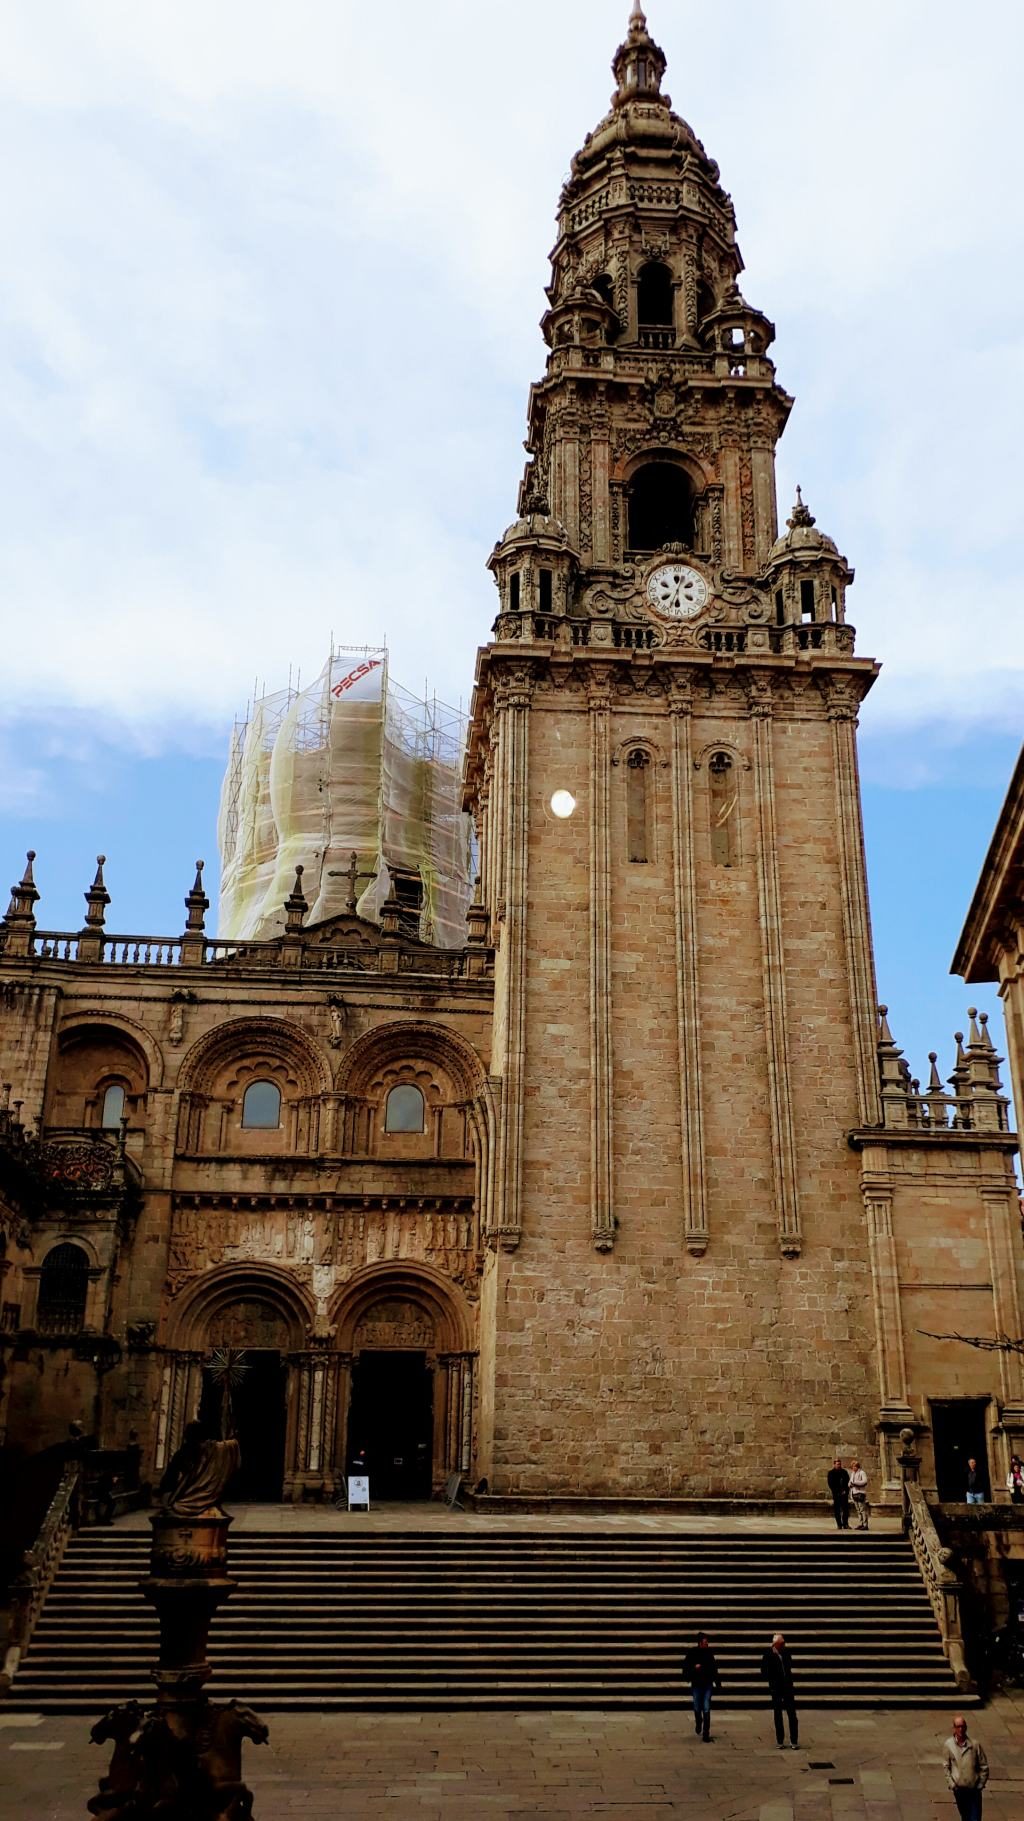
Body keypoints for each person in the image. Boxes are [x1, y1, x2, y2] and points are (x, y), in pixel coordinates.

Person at [943, 1714, 988, 1819]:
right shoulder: (949, 1745)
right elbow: (946, 1766)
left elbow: (984, 1766)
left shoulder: (975, 1745)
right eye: (958, 1726)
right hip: (959, 1789)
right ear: (954, 1728)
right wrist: (952, 1784)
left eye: (963, 1726)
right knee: (965, 1816)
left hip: (973, 1789)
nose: (961, 1729)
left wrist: (980, 1784)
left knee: (975, 1817)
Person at [681, 1630, 722, 1742]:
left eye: (707, 1642)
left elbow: (714, 1669)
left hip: (707, 1684)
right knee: (697, 1707)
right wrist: (694, 1668)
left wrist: (717, 1683)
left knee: (706, 1706)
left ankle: (706, 1734)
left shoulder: (709, 1653)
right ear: (700, 1643)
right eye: (704, 1642)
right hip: (697, 1685)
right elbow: (686, 1667)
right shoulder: (692, 1653)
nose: (706, 1644)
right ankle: (699, 1722)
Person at [759, 1632, 798, 1749]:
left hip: (787, 1687)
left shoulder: (786, 1653)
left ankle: (794, 1740)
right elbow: (763, 1671)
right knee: (778, 1714)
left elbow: (789, 1666)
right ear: (776, 1644)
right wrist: (772, 1680)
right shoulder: (768, 1654)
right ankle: (780, 1740)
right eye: (782, 1643)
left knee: (792, 1714)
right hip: (776, 1688)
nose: (784, 1645)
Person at [827, 1457, 850, 1530]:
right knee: (837, 1510)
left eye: (839, 1464)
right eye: (837, 1464)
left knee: (845, 1509)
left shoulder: (844, 1472)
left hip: (844, 1494)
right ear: (834, 1465)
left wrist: (846, 1491)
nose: (839, 1465)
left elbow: (847, 1482)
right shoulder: (831, 1473)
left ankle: (845, 1524)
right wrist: (837, 1491)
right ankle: (839, 1524)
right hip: (836, 1494)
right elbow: (831, 1484)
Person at [849, 1460, 869, 1529]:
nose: (853, 1468)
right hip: (854, 1493)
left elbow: (864, 1481)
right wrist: (850, 1484)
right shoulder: (853, 1473)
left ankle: (865, 1524)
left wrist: (855, 1483)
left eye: (854, 1466)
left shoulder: (862, 1473)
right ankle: (860, 1523)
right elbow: (850, 1482)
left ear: (857, 1466)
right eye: (852, 1467)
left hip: (860, 1493)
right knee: (858, 1510)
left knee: (862, 1509)